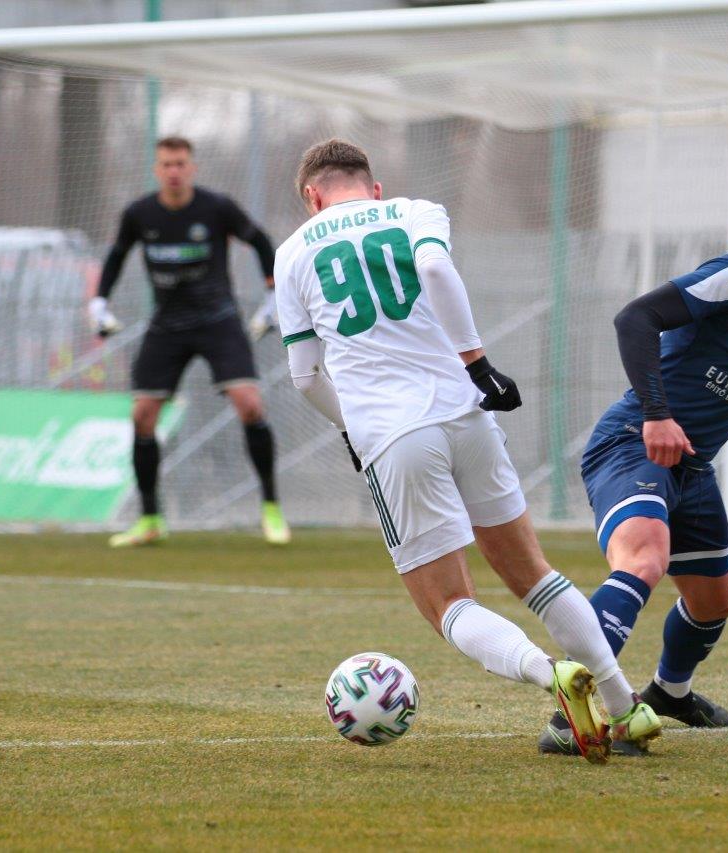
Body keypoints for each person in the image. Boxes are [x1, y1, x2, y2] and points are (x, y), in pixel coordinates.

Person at [274, 138, 662, 764]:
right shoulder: (415, 210)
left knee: (449, 604)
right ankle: (626, 705)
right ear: (373, 188)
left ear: (312, 198)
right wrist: (479, 367)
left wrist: (352, 431)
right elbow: (434, 271)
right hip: (465, 414)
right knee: (535, 574)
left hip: (394, 436)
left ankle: (552, 675)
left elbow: (305, 376)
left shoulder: (293, 251)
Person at [539, 179, 728, 755]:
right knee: (644, 558)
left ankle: (669, 693)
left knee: (714, 602)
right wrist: (656, 414)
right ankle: (570, 716)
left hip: (690, 465)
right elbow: (635, 319)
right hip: (635, 440)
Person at [89, 136, 290, 547]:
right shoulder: (140, 213)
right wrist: (99, 302)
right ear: (156, 170)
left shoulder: (217, 207)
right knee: (142, 415)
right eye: (167, 164)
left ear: (192, 168)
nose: (174, 171)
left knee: (250, 405)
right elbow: (116, 255)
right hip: (166, 326)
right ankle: (150, 519)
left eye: (181, 163)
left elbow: (260, 241)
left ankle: (271, 508)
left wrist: (272, 296)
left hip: (219, 321)